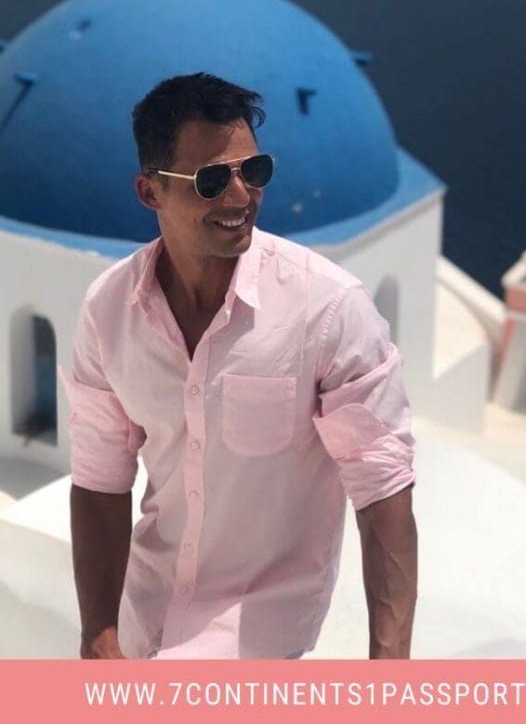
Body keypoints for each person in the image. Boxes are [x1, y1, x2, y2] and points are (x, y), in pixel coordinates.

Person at [63, 72, 417, 660]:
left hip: (263, 642)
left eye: (253, 172)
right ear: (150, 192)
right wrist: (98, 635)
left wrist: (390, 670)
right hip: (141, 619)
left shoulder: (326, 309)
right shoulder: (108, 310)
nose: (239, 197)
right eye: (210, 180)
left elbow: (382, 489)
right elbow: (100, 479)